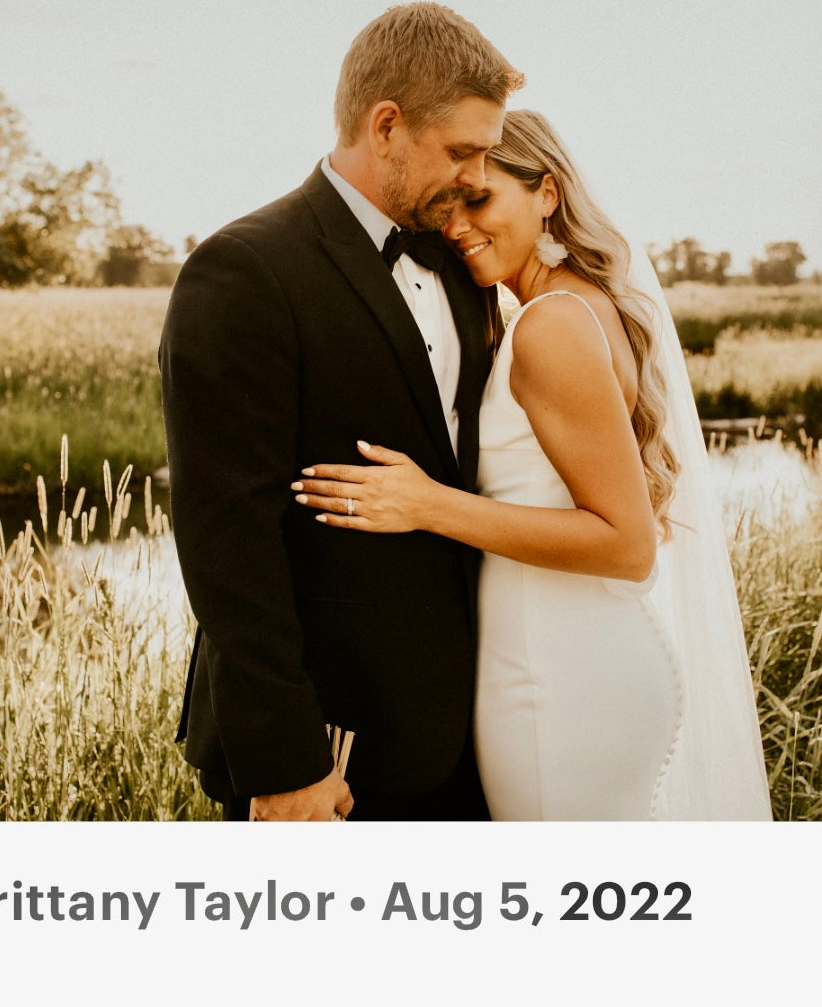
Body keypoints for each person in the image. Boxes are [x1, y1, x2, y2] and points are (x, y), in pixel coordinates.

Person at [294, 109, 773, 820]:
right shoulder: (568, 307)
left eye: (480, 198)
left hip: (556, 680)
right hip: (566, 659)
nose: (456, 224)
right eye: (447, 204)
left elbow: (626, 543)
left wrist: (427, 504)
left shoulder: (551, 325)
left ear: (546, 193)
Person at [159, 2, 524, 820]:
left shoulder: (457, 260)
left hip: (470, 733)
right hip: (329, 750)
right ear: (385, 124)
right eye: (461, 150)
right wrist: (289, 759)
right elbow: (226, 541)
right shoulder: (244, 270)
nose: (474, 175)